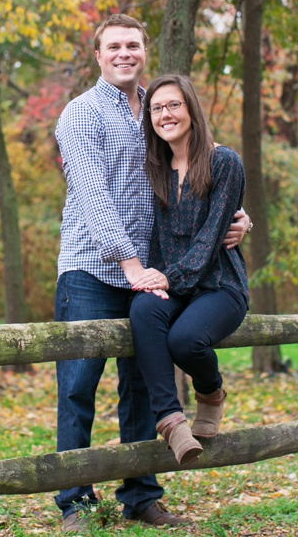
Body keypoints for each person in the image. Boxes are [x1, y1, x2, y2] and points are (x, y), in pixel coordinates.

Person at [53, 14, 250, 532]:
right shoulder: (80, 115)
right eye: (113, 46)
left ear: (145, 51)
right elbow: (94, 197)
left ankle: (140, 495)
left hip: (156, 274)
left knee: (141, 385)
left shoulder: (156, 109)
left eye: (133, 45)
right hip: (94, 271)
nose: (124, 53)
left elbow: (201, 171)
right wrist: (130, 263)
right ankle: (75, 500)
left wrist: (236, 216)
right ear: (97, 55)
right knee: (78, 386)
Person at [128, 74, 248, 464]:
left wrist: (167, 276)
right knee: (143, 310)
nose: (166, 114)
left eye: (173, 105)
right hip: (175, 286)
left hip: (219, 286)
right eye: (157, 108)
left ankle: (211, 392)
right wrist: (160, 280)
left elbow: (213, 236)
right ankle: (170, 420)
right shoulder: (154, 168)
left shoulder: (224, 161)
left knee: (185, 340)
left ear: (192, 109)